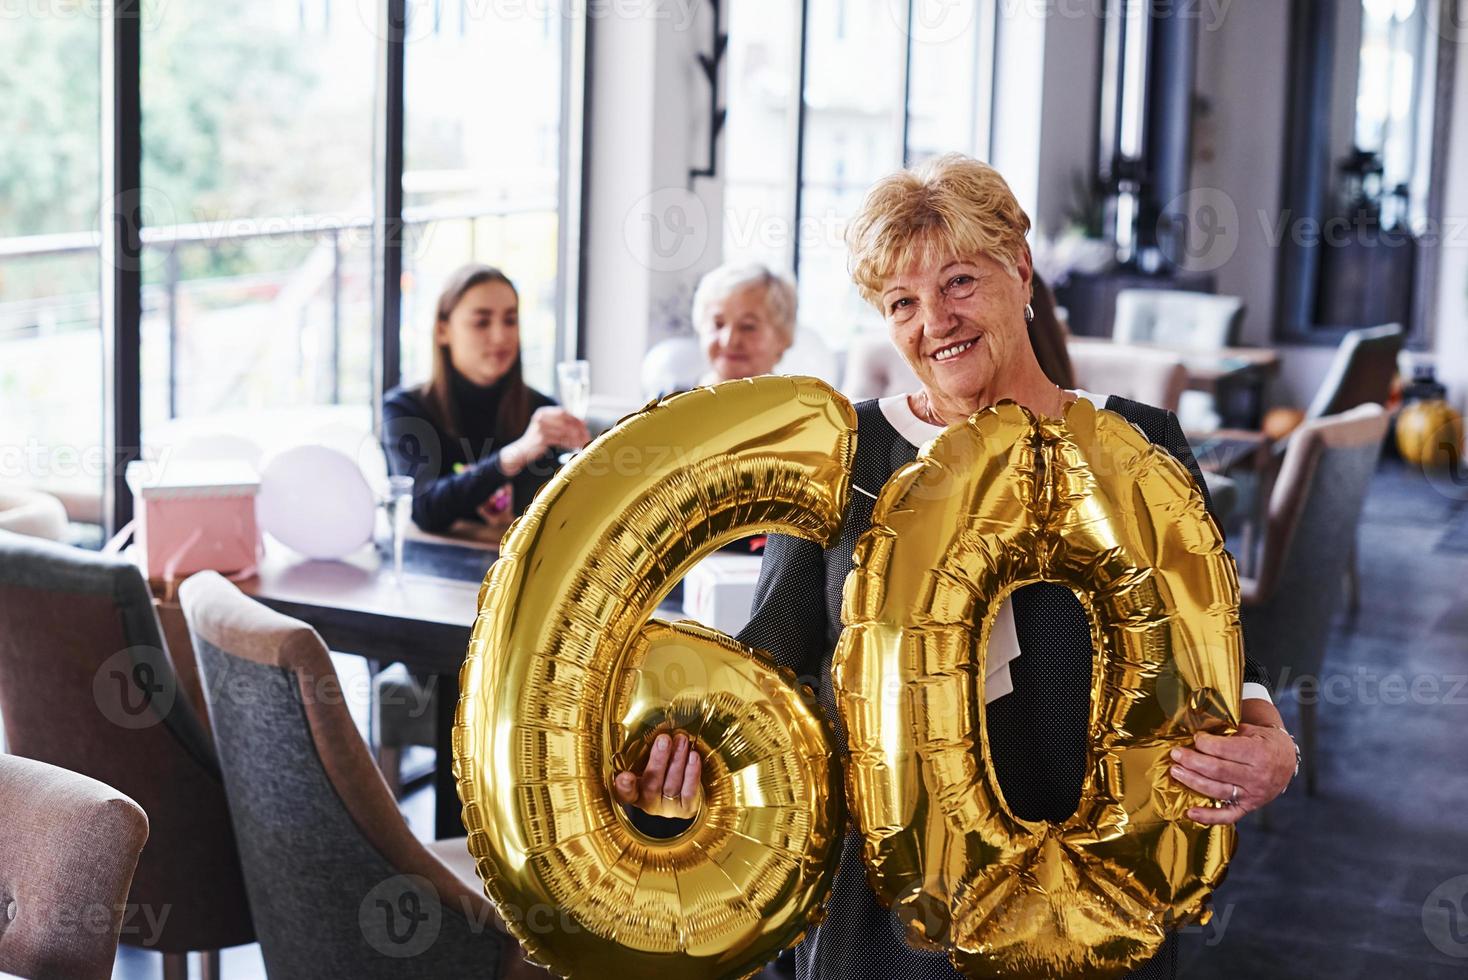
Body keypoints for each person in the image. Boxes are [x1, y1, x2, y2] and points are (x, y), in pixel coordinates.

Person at [614, 155, 1297, 980]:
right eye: (902, 302)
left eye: (959, 282)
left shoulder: (1137, 442)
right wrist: (688, 745)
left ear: (1021, 269)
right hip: (886, 923)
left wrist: (1271, 741)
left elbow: (1221, 654)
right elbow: (775, 654)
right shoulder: (850, 453)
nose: (934, 320)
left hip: (1104, 908)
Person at [382, 264, 589, 536]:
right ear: (443, 330)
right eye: (481, 322)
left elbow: (563, 516)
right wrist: (514, 455)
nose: (500, 336)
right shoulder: (405, 409)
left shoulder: (542, 414)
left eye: (510, 320)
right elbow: (424, 508)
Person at [691, 262, 798, 383]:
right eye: (718, 324)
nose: (728, 341)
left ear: (783, 336)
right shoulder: (674, 399)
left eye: (748, 327)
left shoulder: (803, 400)